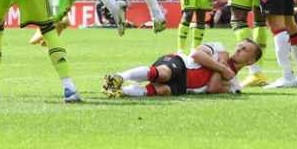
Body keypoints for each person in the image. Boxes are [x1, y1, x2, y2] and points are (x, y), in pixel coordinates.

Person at [102, 40, 261, 98]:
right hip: (181, 63)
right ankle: (118, 77)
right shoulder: (219, 48)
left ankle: (121, 91)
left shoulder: (235, 85)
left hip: (185, 86)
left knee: (162, 91)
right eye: (239, 46)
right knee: (162, 74)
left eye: (244, 49)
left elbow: (213, 88)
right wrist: (222, 67)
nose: (238, 50)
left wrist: (225, 70)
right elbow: (197, 55)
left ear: (251, 61)